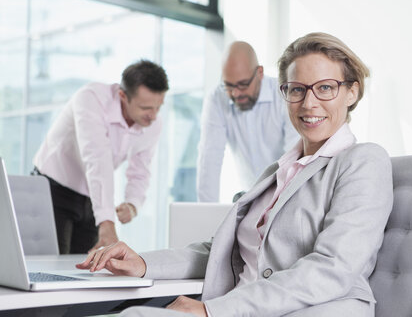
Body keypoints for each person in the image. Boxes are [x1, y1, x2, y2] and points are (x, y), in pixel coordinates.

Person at [77, 32, 393, 317]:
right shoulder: (276, 172)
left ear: (352, 92)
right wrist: (143, 262)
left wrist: (212, 310)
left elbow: (333, 269)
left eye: (325, 88)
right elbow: (221, 253)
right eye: (297, 90)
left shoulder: (362, 161)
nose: (309, 103)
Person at [33, 60, 169, 254]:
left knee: (87, 267)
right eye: (146, 108)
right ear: (123, 96)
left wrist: (132, 203)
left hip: (91, 196)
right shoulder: (91, 99)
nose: (154, 116)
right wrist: (107, 221)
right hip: (53, 189)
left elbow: (141, 169)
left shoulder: (153, 122)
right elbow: (97, 159)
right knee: (52, 266)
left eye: (158, 107)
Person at [197, 41, 299, 202]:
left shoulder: (284, 94)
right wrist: (206, 213)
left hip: (285, 193)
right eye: (229, 86)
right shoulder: (217, 99)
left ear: (259, 73)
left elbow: (294, 155)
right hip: (249, 198)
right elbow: (209, 159)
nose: (236, 93)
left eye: (243, 85)